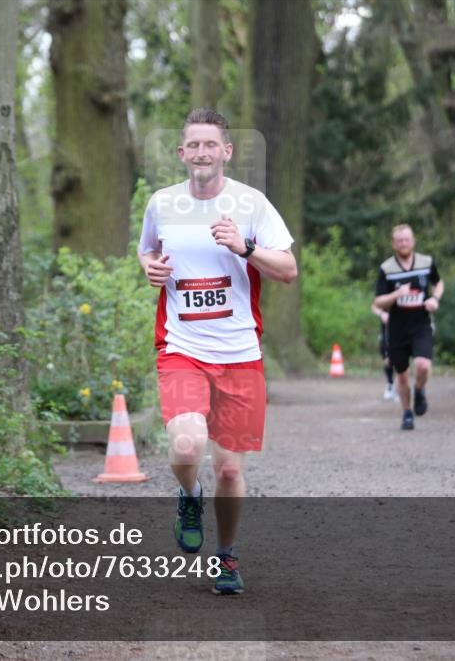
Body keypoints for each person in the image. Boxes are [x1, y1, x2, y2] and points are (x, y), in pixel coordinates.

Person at [137, 108, 297, 595]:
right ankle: (189, 494)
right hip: (182, 347)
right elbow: (147, 251)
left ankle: (226, 558)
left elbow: (287, 269)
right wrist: (151, 269)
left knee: (229, 467)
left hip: (240, 353)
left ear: (226, 151)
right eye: (194, 145)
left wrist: (245, 248)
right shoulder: (162, 204)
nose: (202, 152)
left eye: (212, 144)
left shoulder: (251, 205)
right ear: (182, 152)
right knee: (186, 445)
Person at [372, 224, 444, 430]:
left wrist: (435, 299)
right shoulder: (387, 268)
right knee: (401, 374)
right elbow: (378, 301)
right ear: (394, 244)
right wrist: (396, 295)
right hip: (397, 328)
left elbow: (438, 283)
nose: (403, 243)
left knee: (423, 365)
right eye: (399, 240)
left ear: (413, 241)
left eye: (407, 239)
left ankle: (420, 391)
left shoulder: (426, 262)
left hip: (421, 324)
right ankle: (406, 413)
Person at [370, 303, 397, 400]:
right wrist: (382, 314)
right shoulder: (386, 290)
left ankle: (401, 386)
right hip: (387, 330)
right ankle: (390, 384)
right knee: (387, 359)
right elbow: (374, 306)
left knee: (401, 359)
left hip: (404, 329)